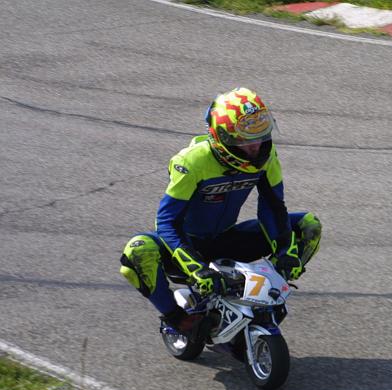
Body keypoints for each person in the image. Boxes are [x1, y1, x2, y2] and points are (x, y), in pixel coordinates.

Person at [119, 88, 321, 335]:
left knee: (309, 225)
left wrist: (285, 252)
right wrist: (195, 267)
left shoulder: (266, 157)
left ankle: (270, 296)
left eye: (260, 135)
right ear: (223, 137)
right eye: (246, 140)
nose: (256, 146)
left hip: (225, 240)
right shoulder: (191, 162)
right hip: (187, 246)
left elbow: (272, 207)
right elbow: (166, 222)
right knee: (138, 250)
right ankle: (179, 319)